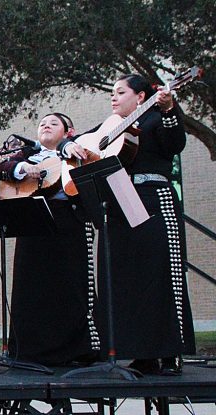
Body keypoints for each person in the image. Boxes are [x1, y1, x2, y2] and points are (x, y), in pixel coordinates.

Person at [84, 75, 195, 375]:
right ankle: (140, 352)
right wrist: (70, 149)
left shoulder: (156, 118)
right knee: (126, 276)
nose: (113, 98)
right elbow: (82, 142)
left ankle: (170, 352)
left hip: (153, 198)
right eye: (112, 93)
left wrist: (170, 110)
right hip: (121, 199)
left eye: (120, 92)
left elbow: (176, 143)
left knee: (160, 272)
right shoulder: (110, 125)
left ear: (141, 96)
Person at [0, 113, 99, 366]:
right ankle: (31, 350)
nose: (46, 126)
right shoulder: (28, 154)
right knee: (32, 285)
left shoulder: (79, 148)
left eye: (53, 123)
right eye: (42, 123)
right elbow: (1, 169)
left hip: (69, 222)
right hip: (34, 220)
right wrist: (24, 169)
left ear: (69, 131)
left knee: (71, 284)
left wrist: (67, 148)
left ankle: (76, 351)